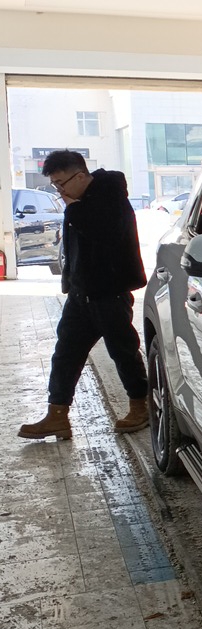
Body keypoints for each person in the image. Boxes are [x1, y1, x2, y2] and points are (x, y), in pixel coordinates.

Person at [18, 150, 149, 441]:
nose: (59, 191)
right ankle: (57, 415)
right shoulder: (78, 201)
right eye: (54, 185)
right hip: (81, 293)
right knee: (65, 354)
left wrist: (74, 210)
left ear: (79, 176)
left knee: (123, 351)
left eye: (61, 183)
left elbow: (105, 235)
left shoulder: (111, 197)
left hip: (109, 293)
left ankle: (140, 405)